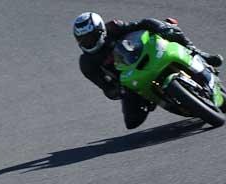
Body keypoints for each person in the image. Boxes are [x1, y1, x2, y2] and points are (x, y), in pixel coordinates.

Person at [73, 12, 224, 129]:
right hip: (128, 79)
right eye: (83, 40)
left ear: (101, 31)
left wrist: (161, 27)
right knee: (132, 122)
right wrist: (117, 91)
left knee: (169, 30)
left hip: (143, 57)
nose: (88, 42)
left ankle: (199, 53)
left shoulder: (114, 27)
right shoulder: (86, 63)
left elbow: (142, 24)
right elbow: (105, 87)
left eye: (91, 37)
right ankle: (158, 98)